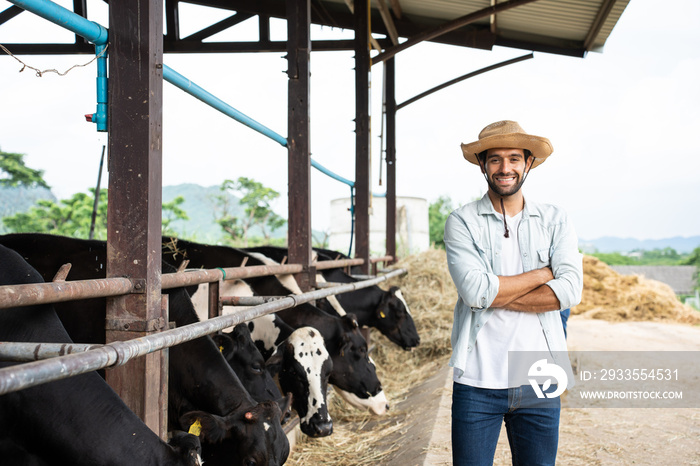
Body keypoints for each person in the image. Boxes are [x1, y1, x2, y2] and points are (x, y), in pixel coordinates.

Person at [444, 120, 583, 466]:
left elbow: (569, 291)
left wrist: (494, 291)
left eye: (514, 159)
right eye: (495, 160)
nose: (505, 168)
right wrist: (541, 274)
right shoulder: (461, 222)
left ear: (528, 163)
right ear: (482, 164)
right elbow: (475, 291)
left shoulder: (555, 220)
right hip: (477, 382)